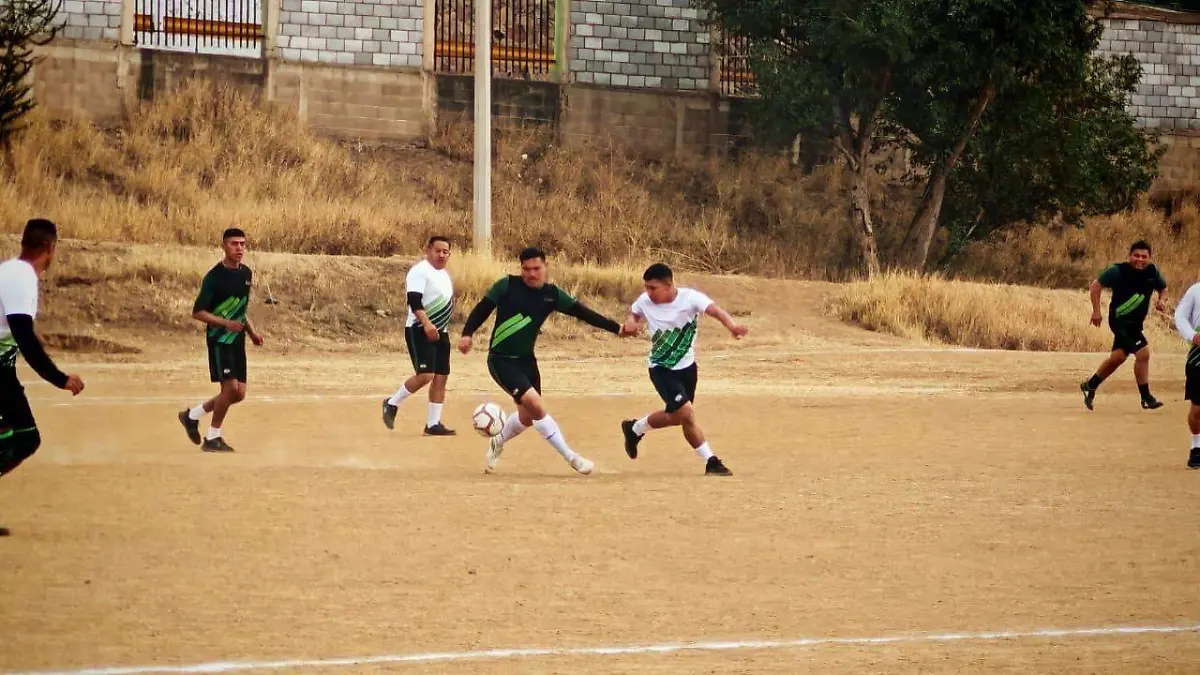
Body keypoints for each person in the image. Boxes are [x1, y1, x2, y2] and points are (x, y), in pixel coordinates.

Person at [458, 247, 632, 475]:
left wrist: (617, 328)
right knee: (537, 407)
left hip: (527, 362)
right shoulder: (506, 285)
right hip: (501, 360)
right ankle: (572, 458)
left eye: (536, 268)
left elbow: (583, 313)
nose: (531, 274)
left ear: (546, 266)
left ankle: (497, 441)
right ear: (521, 268)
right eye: (526, 269)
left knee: (527, 418)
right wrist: (467, 333)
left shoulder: (552, 295)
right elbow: (482, 309)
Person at [619, 264, 744, 476]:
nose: (648, 292)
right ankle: (712, 462)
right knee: (687, 413)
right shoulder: (645, 300)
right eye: (646, 287)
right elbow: (635, 314)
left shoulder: (690, 298)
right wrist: (631, 324)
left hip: (688, 368)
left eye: (653, 288)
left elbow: (715, 311)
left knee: (679, 417)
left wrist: (732, 326)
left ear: (668, 285)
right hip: (661, 368)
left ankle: (634, 429)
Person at [0, 219, 85, 479]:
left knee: (18, 435)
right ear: (50, 247)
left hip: (4, 371)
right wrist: (59, 379)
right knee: (23, 438)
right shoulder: (22, 277)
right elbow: (23, 336)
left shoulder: (11, 270)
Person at [177, 228, 264, 452]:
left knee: (239, 394)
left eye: (242, 244)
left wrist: (252, 333)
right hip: (219, 340)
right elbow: (198, 312)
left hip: (237, 341)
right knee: (230, 388)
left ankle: (192, 416)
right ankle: (212, 438)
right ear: (224, 246)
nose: (239, 248)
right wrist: (225, 324)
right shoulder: (214, 277)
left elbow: (240, 308)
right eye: (234, 244)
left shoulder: (246, 274)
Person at [1080, 240, 1168, 411]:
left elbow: (1163, 288)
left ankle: (1090, 385)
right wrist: (1096, 311)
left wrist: (1162, 301)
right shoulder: (1117, 270)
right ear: (1129, 256)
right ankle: (1146, 397)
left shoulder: (1152, 272)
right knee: (1143, 354)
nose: (1140, 259)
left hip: (1136, 324)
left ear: (1149, 258)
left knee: (1118, 358)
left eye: (1144, 256)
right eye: (1136, 255)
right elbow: (1095, 287)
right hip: (1120, 322)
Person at [382, 236, 457, 436]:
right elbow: (414, 301)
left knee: (441, 377)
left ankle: (433, 424)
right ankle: (392, 403)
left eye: (445, 252)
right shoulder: (420, 271)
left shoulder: (444, 275)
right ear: (428, 250)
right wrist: (426, 324)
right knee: (426, 375)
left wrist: (439, 327)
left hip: (441, 331)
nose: (442, 255)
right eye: (438, 250)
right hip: (419, 329)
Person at [1173, 279, 1200, 469]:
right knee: (1197, 409)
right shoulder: (1196, 290)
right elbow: (1180, 316)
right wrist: (1192, 335)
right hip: (1198, 357)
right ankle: (1196, 447)